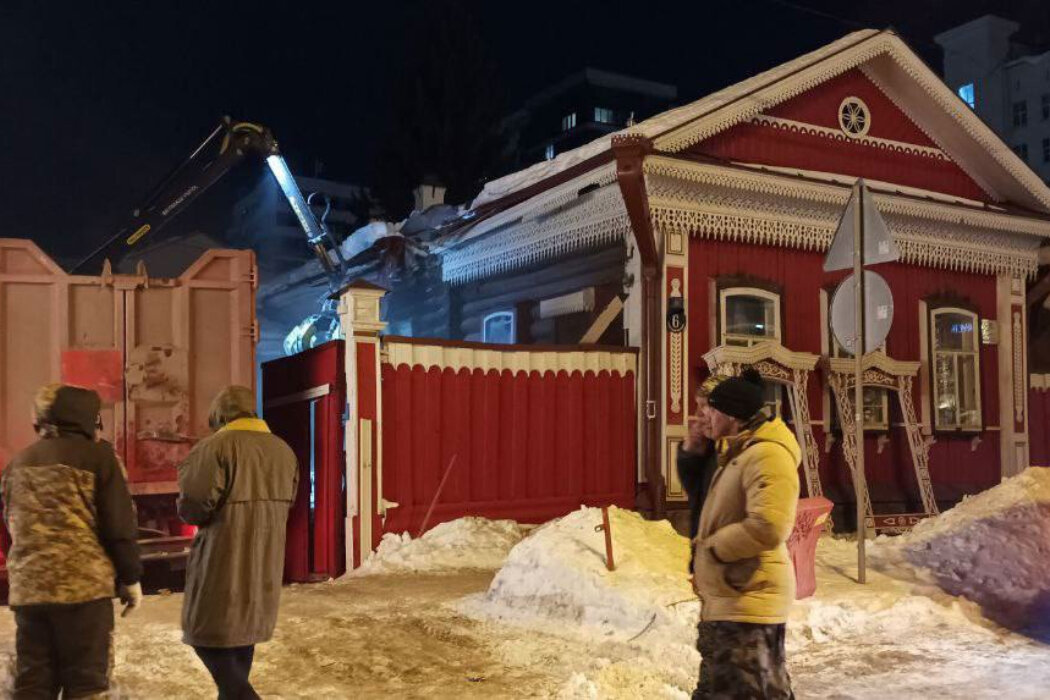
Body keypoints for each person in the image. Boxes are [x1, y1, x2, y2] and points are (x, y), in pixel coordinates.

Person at [2, 384, 142, 699]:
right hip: (83, 594)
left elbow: (9, 527)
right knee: (87, 683)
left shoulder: (18, 463)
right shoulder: (99, 458)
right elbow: (118, 525)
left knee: (33, 684)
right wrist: (130, 578)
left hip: (30, 594)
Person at [178, 385, 298, 700]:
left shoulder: (214, 448)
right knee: (242, 645)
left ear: (220, 417)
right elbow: (291, 501)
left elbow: (193, 507)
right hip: (265, 564)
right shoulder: (283, 450)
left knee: (206, 639)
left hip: (222, 560)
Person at [691, 368, 800, 700]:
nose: (704, 415)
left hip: (749, 602)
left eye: (710, 408)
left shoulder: (767, 454)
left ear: (732, 416)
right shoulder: (740, 452)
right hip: (733, 600)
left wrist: (714, 551)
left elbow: (769, 525)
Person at [677, 374, 727, 575]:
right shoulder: (712, 447)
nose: (699, 414)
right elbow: (696, 495)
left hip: (726, 567)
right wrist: (691, 451)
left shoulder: (739, 450)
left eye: (705, 406)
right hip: (708, 561)